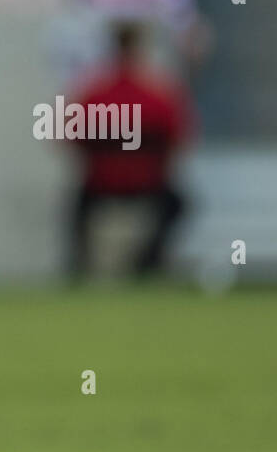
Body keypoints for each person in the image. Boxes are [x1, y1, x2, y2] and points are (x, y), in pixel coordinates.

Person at [66, 20, 192, 278]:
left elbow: (71, 137)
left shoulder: (96, 94)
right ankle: (147, 263)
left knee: (76, 210)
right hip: (147, 183)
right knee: (178, 205)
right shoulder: (156, 94)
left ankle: (80, 266)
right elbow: (178, 137)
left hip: (101, 183)